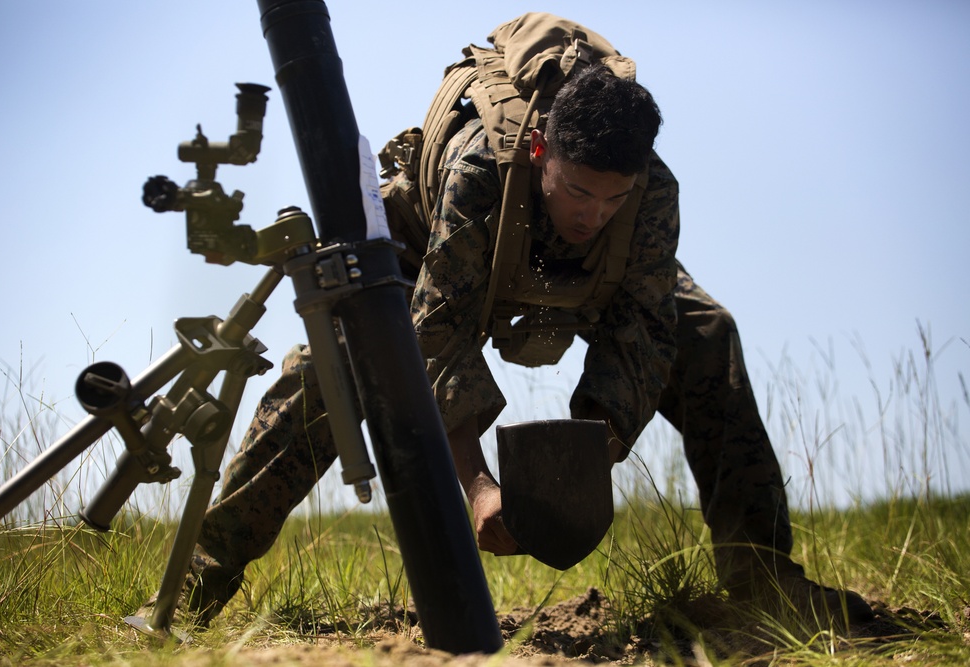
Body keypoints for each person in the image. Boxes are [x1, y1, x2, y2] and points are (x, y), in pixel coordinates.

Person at [138, 54, 872, 631]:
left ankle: (763, 584)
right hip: (428, 253)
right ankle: (194, 587)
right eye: (579, 192)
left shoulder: (650, 193)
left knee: (705, 333)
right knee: (334, 365)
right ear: (541, 149)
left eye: (613, 198)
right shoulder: (482, 169)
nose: (595, 214)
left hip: (584, 284)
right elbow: (434, 331)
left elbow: (645, 328)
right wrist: (480, 486)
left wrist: (587, 458)